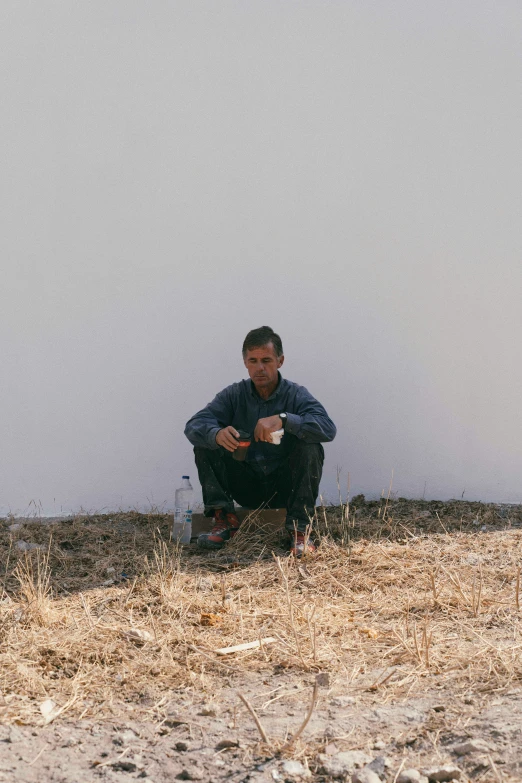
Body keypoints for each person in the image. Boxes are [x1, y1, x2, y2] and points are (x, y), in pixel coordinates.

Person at [184, 326, 336, 555]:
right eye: (253, 360)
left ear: (280, 361)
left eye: (266, 360)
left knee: (310, 446)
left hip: (284, 487)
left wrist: (284, 420)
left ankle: (299, 530)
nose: (260, 368)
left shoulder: (296, 394)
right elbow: (194, 425)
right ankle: (225, 520)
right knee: (206, 443)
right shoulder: (234, 395)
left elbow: (328, 428)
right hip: (245, 485)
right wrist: (216, 434)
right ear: (245, 362)